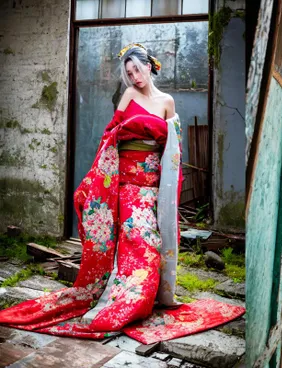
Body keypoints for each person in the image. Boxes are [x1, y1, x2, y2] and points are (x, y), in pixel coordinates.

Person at [0, 43, 244, 344]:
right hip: (127, 183)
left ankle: (144, 297)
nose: (134, 77)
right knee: (138, 240)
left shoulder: (168, 102)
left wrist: (167, 185)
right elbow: (111, 134)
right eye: (129, 73)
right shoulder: (129, 96)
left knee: (152, 242)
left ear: (149, 66)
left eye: (137, 70)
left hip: (154, 185)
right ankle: (129, 302)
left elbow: (173, 149)